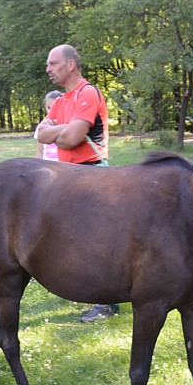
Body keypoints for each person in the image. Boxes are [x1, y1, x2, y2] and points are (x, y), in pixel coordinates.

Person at [35, 44, 116, 323]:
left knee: (97, 241)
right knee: (77, 240)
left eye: (53, 63)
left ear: (71, 65)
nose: (48, 69)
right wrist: (62, 131)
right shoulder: (58, 101)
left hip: (92, 174)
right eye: (48, 64)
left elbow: (70, 139)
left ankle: (107, 303)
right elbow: (40, 135)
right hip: (67, 174)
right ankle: (95, 294)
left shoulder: (88, 93)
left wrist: (58, 132)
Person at [34, 90, 62, 160]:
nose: (51, 110)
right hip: (47, 166)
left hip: (63, 166)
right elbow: (39, 152)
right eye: (48, 107)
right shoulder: (42, 126)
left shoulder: (68, 124)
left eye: (55, 107)